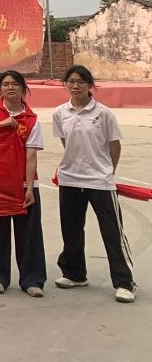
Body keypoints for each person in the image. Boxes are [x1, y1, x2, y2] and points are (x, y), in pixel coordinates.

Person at [52, 65, 136, 303]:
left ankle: (125, 283)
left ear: (90, 85)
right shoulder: (60, 113)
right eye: (71, 81)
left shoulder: (104, 113)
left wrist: (107, 170)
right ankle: (75, 274)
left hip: (100, 181)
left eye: (80, 82)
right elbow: (66, 142)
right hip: (70, 179)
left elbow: (114, 146)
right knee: (71, 230)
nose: (75, 86)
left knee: (112, 233)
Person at [0, 70, 46, 297]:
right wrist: (2, 124)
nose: (10, 87)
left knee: (29, 234)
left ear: (24, 89)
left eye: (15, 84)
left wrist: (29, 187)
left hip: (22, 185)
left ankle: (32, 279)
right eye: (5, 84)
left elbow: (31, 156)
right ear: (0, 89)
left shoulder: (31, 119)